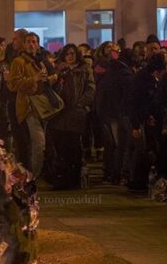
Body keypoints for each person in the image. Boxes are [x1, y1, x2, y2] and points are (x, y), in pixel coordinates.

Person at [7, 32, 58, 177]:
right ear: (24, 44)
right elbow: (13, 84)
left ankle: (38, 173)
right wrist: (33, 79)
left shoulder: (41, 60)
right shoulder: (18, 62)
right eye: (29, 41)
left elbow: (50, 78)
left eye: (34, 42)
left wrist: (51, 79)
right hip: (29, 106)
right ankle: (32, 176)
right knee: (38, 143)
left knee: (41, 143)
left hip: (45, 106)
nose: (31, 44)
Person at [46, 44, 95, 189]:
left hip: (76, 113)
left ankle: (74, 179)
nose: (70, 56)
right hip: (60, 113)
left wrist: (81, 104)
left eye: (73, 53)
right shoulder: (59, 70)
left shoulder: (85, 69)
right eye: (67, 54)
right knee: (61, 147)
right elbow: (52, 88)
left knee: (74, 147)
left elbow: (90, 88)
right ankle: (62, 179)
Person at [94, 41, 133, 184]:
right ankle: (113, 172)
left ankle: (111, 172)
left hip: (111, 109)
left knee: (114, 143)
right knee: (116, 143)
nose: (112, 50)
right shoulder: (104, 67)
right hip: (111, 110)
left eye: (114, 48)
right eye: (109, 48)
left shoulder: (115, 69)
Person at [126, 55, 166, 192]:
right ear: (157, 71)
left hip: (143, 118)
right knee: (140, 150)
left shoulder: (146, 78)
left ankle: (138, 181)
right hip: (136, 119)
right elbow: (133, 103)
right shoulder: (142, 80)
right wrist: (135, 125)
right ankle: (135, 181)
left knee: (145, 149)